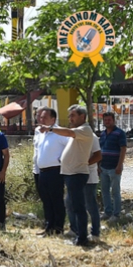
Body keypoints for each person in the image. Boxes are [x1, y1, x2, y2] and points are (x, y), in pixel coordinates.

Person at [39, 105, 94, 246]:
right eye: (69, 115)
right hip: (70, 174)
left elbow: (69, 133)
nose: (70, 118)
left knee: (78, 207)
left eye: (73, 115)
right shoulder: (78, 132)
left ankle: (82, 238)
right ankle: (78, 234)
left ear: (82, 116)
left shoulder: (84, 130)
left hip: (77, 174)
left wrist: (50, 128)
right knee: (72, 206)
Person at [35, 108, 69, 236]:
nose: (41, 120)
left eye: (44, 118)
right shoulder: (42, 133)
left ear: (53, 119)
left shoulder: (59, 133)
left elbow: (71, 144)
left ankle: (58, 228)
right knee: (47, 201)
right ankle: (49, 227)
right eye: (41, 117)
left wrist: (64, 158)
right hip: (42, 172)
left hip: (55, 171)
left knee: (56, 200)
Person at [66, 134, 102, 241]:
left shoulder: (91, 137)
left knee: (90, 205)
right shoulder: (72, 137)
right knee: (69, 202)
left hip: (89, 177)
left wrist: (82, 164)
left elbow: (98, 156)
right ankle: (74, 229)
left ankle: (95, 233)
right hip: (74, 176)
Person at [99, 112, 127, 221]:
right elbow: (100, 151)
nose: (107, 122)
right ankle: (107, 212)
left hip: (114, 167)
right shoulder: (102, 134)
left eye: (109, 120)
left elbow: (123, 149)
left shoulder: (120, 133)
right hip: (103, 167)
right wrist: (98, 165)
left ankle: (116, 214)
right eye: (105, 120)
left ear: (113, 120)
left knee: (115, 192)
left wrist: (119, 165)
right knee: (105, 191)